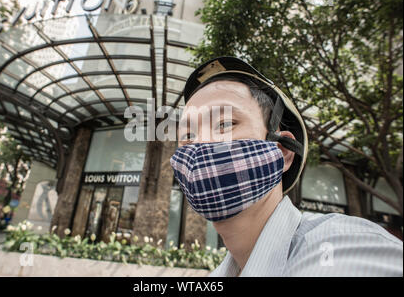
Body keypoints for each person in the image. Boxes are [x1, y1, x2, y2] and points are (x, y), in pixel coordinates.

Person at [169, 56, 403, 277]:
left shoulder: (349, 252)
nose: (200, 144)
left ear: (282, 152)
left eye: (226, 124)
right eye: (188, 135)